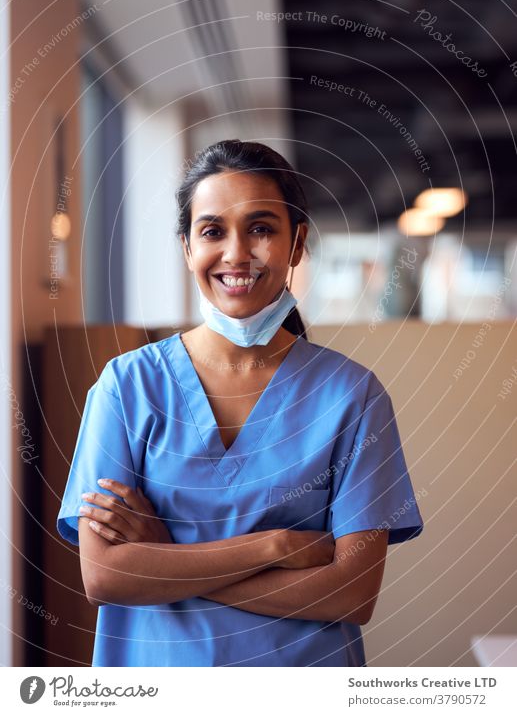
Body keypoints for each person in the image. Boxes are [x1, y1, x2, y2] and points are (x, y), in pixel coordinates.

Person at [56, 138, 424, 667]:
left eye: (260, 228)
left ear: (296, 244)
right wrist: (271, 547)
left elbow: (351, 595)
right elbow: (106, 576)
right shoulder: (127, 388)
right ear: (187, 247)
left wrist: (164, 560)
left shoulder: (352, 396)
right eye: (211, 231)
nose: (235, 253)